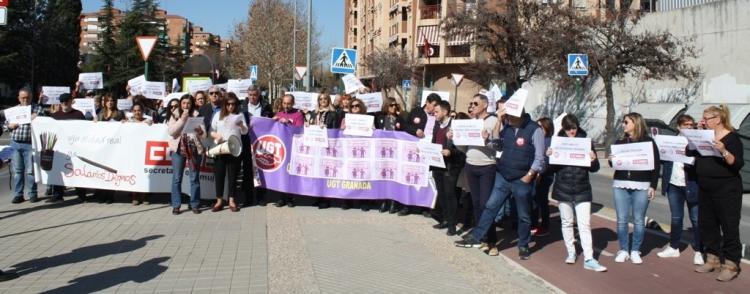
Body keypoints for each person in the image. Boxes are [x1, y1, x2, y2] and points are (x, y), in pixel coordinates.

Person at [545, 114, 607, 272]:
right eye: (568, 128)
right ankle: (571, 252)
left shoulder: (585, 141)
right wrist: (549, 156)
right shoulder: (557, 141)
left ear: (577, 127)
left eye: (573, 128)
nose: (571, 131)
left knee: (584, 224)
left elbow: (594, 168)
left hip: (582, 188)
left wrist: (593, 158)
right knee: (566, 222)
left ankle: (589, 258)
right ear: (563, 129)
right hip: (563, 186)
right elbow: (549, 169)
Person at [692, 105, 744, 282]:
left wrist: (723, 150)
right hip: (705, 186)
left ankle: (731, 264)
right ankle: (712, 259)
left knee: (729, 226)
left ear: (717, 119)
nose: (703, 121)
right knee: (707, 224)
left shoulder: (732, 138)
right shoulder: (704, 136)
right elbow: (689, 152)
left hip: (726, 188)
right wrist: (696, 135)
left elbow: (737, 164)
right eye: (703, 118)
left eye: (706, 119)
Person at [451, 94, 502, 256]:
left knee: (486, 205)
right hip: (471, 165)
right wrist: (455, 140)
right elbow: (465, 148)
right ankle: (481, 237)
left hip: (487, 166)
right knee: (476, 202)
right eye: (471, 103)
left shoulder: (493, 121)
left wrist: (487, 140)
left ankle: (491, 242)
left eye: (475, 103)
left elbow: (497, 147)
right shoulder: (471, 123)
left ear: (485, 105)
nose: (472, 106)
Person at [609, 112, 660, 265]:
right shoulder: (619, 142)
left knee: (638, 219)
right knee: (622, 219)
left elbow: (656, 166)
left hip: (642, 185)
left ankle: (635, 250)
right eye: (623, 122)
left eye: (626, 122)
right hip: (620, 184)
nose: (623, 125)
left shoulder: (648, 142)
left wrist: (653, 186)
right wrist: (612, 161)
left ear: (635, 123)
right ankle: (623, 249)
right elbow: (614, 164)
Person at [656, 115, 704, 265]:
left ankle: (699, 250)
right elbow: (662, 159)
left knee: (696, 219)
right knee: (676, 218)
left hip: (692, 184)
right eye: (686, 125)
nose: (689, 127)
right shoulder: (671, 141)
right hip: (674, 184)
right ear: (678, 127)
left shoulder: (697, 142)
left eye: (691, 124)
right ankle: (674, 247)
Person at [398, 93, 441, 216]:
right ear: (427, 102)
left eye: (437, 106)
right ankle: (407, 205)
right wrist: (415, 130)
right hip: (414, 150)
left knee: (426, 178)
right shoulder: (416, 111)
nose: (435, 108)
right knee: (410, 176)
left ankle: (425, 207)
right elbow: (404, 126)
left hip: (430, 151)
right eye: (433, 105)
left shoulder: (437, 115)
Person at [167, 94, 206, 215]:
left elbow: (204, 135)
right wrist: (182, 120)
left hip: (193, 149)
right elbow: (171, 132)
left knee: (194, 178)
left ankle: (194, 204)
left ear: (192, 104)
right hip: (178, 150)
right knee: (177, 178)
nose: (186, 106)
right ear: (180, 104)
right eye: (183, 103)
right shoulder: (175, 114)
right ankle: (176, 205)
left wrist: (200, 131)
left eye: (188, 103)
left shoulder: (197, 114)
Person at [431, 100, 465, 236]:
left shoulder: (455, 125)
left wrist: (451, 152)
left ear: (445, 112)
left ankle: (452, 225)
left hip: (451, 166)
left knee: (450, 195)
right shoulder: (436, 125)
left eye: (437, 111)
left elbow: (461, 149)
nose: (434, 114)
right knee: (442, 194)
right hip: (437, 164)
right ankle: (445, 219)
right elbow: (434, 143)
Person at [210, 93, 249, 212]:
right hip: (221, 148)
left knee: (233, 176)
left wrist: (242, 126)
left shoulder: (239, 115)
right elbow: (211, 131)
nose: (231, 106)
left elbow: (245, 132)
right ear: (224, 104)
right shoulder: (218, 115)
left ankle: (232, 200)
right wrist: (216, 135)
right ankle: (219, 201)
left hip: (234, 147)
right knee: (219, 175)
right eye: (228, 104)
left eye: (233, 104)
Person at [48, 93, 88, 202]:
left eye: (66, 101)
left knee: (77, 170)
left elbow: (85, 130)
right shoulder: (55, 116)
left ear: (71, 101)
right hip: (60, 149)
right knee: (58, 171)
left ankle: (81, 194)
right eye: (62, 101)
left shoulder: (78, 114)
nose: (64, 103)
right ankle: (57, 195)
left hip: (75, 148)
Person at [5, 88, 41, 203]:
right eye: (22, 98)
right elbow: (5, 126)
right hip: (15, 144)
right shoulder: (13, 110)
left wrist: (37, 118)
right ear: (19, 98)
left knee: (31, 171)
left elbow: (45, 122)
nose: (25, 100)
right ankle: (18, 194)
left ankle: (33, 194)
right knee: (18, 171)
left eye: (27, 97)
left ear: (31, 97)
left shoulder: (37, 109)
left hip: (30, 144)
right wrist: (9, 126)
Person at [307, 92, 340, 209]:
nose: (323, 100)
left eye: (325, 98)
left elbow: (335, 130)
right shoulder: (314, 112)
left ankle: (326, 199)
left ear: (328, 100)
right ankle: (318, 196)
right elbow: (310, 125)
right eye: (320, 99)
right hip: (315, 146)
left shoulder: (333, 114)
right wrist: (308, 125)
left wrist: (326, 128)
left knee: (326, 172)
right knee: (317, 172)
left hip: (327, 146)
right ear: (318, 101)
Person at [374, 97, 406, 213]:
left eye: (395, 105)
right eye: (391, 105)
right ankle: (383, 201)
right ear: (386, 105)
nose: (394, 107)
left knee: (393, 177)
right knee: (383, 176)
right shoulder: (379, 117)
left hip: (395, 153)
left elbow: (405, 132)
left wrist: (400, 113)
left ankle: (393, 202)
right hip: (382, 152)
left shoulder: (400, 119)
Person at [94, 93, 126, 204]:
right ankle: (101, 194)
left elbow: (125, 126)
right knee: (101, 171)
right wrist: (94, 122)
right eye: (108, 100)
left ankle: (110, 195)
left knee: (111, 171)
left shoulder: (120, 113)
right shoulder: (100, 113)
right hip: (102, 146)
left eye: (112, 100)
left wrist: (124, 123)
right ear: (104, 102)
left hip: (114, 147)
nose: (110, 102)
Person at [125, 103, 154, 205]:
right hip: (132, 152)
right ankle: (134, 196)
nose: (137, 112)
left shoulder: (148, 122)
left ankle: (144, 196)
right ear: (132, 112)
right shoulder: (128, 122)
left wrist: (151, 125)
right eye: (135, 110)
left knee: (145, 175)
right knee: (134, 173)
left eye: (139, 110)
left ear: (143, 112)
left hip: (144, 153)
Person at [531, 117, 554, 236]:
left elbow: (549, 161)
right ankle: (533, 224)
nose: (538, 129)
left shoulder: (550, 141)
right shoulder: (536, 138)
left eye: (540, 127)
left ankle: (545, 226)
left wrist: (541, 171)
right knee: (534, 199)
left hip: (546, 175)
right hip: (535, 173)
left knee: (542, 200)